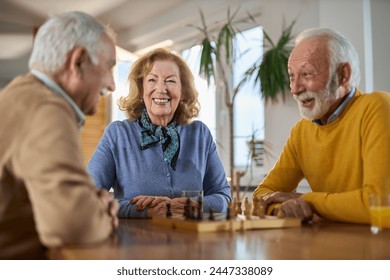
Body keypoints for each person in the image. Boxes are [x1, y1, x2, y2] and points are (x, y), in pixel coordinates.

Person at [0, 11, 119, 259]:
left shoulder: (22, 95)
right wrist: (102, 213)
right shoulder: (46, 109)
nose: (112, 84)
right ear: (78, 62)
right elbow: (74, 225)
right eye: (109, 67)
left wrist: (91, 204)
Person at [252, 27, 390, 224]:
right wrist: (280, 206)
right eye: (292, 76)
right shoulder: (301, 131)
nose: (295, 89)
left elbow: (381, 205)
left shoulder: (378, 107)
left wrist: (306, 200)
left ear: (343, 75)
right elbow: (263, 193)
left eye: (307, 73)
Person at [87, 48, 231, 218]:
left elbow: (223, 197)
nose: (161, 88)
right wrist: (142, 210)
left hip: (191, 241)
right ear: (141, 90)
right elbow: (88, 197)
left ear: (182, 91)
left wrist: (194, 205)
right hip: (134, 241)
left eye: (170, 81)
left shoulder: (200, 134)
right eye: (152, 80)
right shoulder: (118, 134)